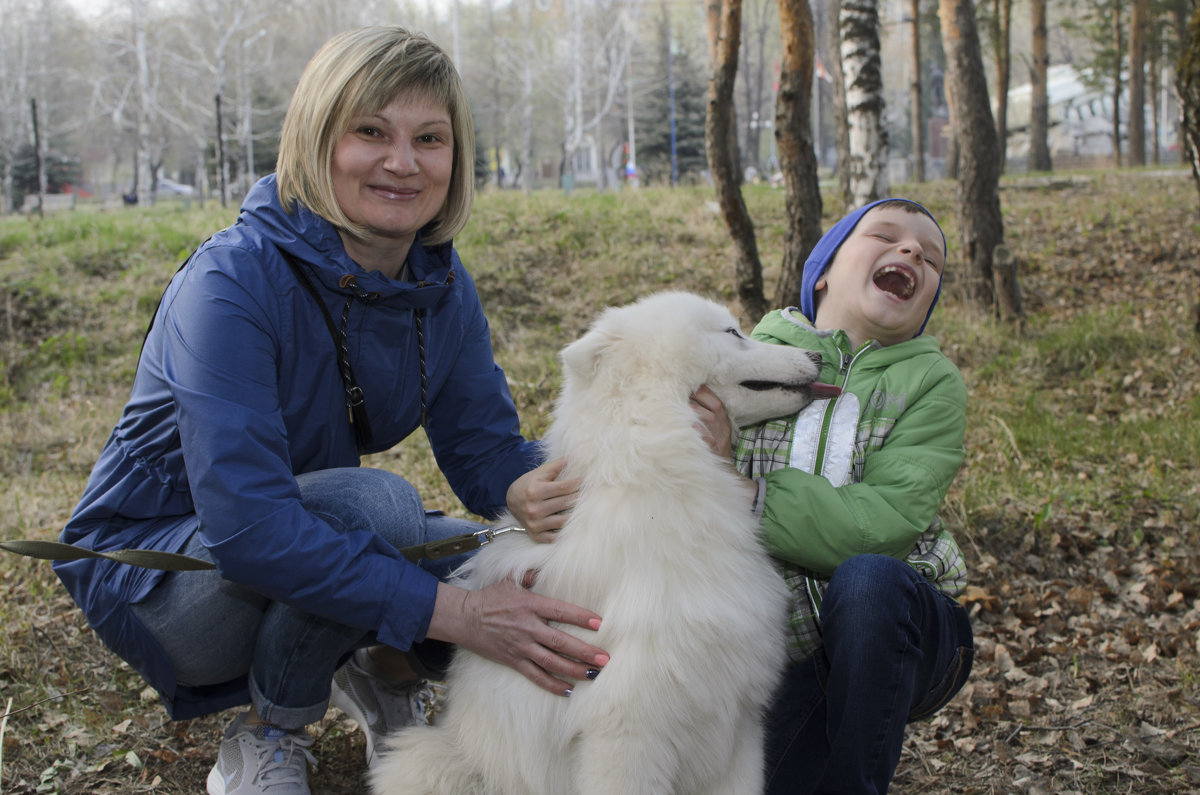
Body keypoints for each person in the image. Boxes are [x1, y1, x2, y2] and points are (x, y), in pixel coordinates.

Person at [54, 26, 607, 795]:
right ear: (318, 140)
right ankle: (270, 733)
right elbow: (250, 529)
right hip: (166, 579)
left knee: (509, 561)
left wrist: (532, 487)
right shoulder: (230, 283)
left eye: (431, 138)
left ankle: (380, 673)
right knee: (381, 510)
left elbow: (484, 447)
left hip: (302, 534)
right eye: (371, 132)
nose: (403, 162)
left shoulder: (438, 287)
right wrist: (457, 614)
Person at [692, 198, 974, 793]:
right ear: (823, 270)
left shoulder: (930, 381)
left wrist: (745, 493)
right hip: (791, 654)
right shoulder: (747, 360)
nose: (913, 252)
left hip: (906, 629)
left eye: (931, 258)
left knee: (869, 578)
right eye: (886, 235)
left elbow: (884, 522)